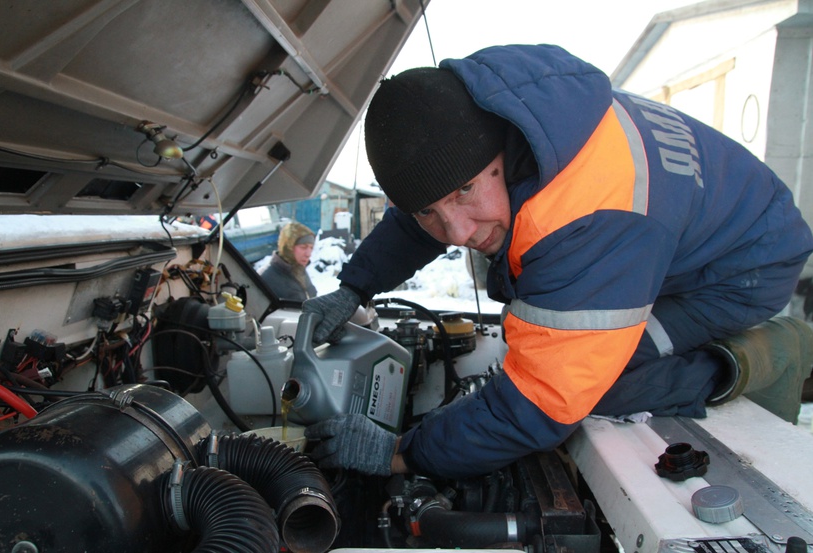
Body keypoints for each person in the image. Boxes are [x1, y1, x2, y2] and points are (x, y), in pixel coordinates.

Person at [303, 44, 813, 481]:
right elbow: (432, 196)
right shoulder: (513, 113)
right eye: (429, 212)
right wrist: (355, 287)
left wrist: (400, 453)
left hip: (743, 268)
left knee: (597, 386)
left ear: (501, 157)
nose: (458, 234)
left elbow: (541, 403)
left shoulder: (582, 215)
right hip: (677, 239)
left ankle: (762, 355)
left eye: (465, 191)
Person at [258, 221, 318, 302]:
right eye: (303, 247)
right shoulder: (266, 278)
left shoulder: (299, 270)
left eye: (311, 248)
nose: (308, 254)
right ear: (289, 247)